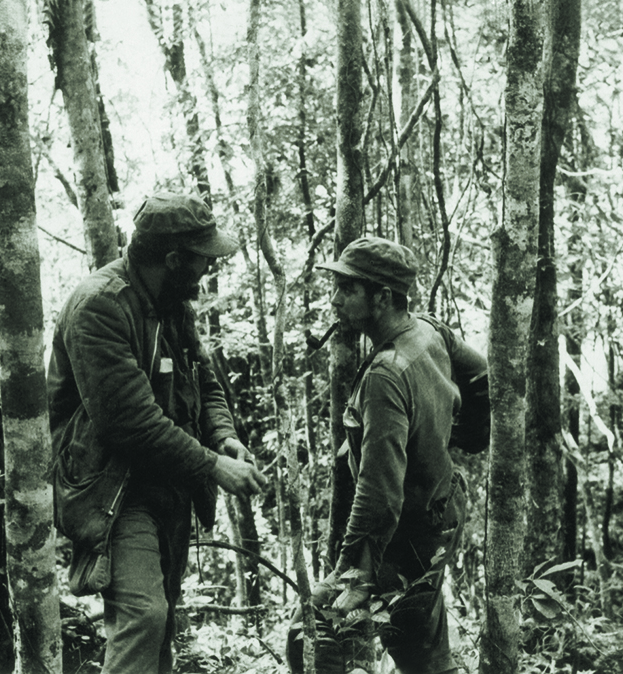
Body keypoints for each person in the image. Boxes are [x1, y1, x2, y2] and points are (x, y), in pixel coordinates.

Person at [48, 192, 267, 674]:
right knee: (144, 615)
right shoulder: (99, 308)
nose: (208, 270)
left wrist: (223, 436)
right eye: (202, 260)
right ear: (173, 260)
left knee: (163, 622)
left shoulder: (171, 301)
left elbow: (203, 379)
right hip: (113, 489)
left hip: (167, 482)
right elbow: (131, 423)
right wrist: (214, 467)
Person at [288, 236, 487, 674]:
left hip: (409, 534)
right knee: (423, 654)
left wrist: (352, 574)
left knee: (316, 628)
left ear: (382, 297)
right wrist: (460, 436)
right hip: (441, 512)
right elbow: (482, 378)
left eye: (347, 289)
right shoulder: (429, 330)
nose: (335, 299)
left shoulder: (385, 375)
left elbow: (379, 491)